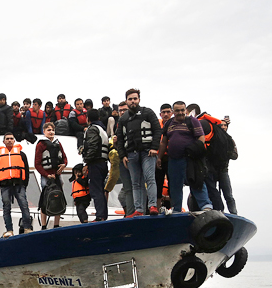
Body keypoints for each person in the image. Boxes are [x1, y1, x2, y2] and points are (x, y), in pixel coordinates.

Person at [156, 101, 214, 213]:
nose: (180, 113)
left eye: (182, 110)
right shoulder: (169, 124)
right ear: (173, 111)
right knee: (175, 186)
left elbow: (201, 138)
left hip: (190, 159)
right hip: (173, 160)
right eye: (177, 110)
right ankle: (176, 209)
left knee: (196, 182)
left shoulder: (192, 121)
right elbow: (164, 142)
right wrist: (159, 157)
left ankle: (206, 205)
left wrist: (195, 150)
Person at [115, 88, 161, 217]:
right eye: (130, 99)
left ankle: (152, 205)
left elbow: (157, 130)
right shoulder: (123, 119)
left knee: (149, 178)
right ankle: (139, 209)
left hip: (148, 153)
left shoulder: (148, 113)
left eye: (135, 98)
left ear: (139, 99)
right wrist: (123, 155)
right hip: (131, 154)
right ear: (126, 101)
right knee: (135, 183)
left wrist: (154, 147)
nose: (133, 101)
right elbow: (120, 139)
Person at [188, 103, 238, 214]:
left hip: (219, 168)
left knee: (225, 193)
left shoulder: (204, 125)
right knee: (212, 188)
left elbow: (234, 155)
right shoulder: (216, 132)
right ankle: (217, 209)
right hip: (211, 165)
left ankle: (229, 212)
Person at [0, 133, 32, 236]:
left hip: (19, 184)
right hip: (5, 185)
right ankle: (9, 230)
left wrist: (24, 184)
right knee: (6, 207)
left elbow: (26, 170)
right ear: (4, 141)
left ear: (14, 141)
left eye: (11, 139)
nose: (9, 140)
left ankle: (27, 227)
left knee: (24, 205)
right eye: (7, 139)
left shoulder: (21, 154)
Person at [34, 122, 68, 229]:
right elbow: (37, 164)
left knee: (58, 196)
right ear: (44, 132)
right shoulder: (41, 144)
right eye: (48, 130)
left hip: (57, 175)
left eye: (52, 130)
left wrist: (64, 165)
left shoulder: (58, 144)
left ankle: (56, 224)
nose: (51, 132)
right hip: (46, 176)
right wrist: (46, 175)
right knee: (45, 198)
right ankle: (44, 225)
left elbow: (65, 158)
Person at [81, 109, 110, 221]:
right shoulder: (101, 128)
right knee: (101, 190)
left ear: (88, 118)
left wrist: (87, 162)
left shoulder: (92, 129)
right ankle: (103, 215)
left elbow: (92, 146)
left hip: (95, 163)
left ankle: (100, 216)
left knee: (95, 190)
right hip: (103, 163)